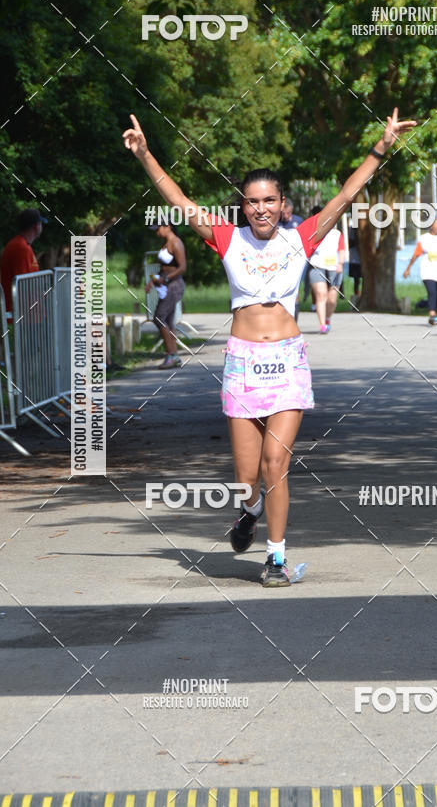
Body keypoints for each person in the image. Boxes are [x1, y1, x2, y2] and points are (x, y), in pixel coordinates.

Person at [123, 109, 416, 586]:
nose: (261, 208)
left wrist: (381, 146)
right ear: (243, 206)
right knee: (246, 475)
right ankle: (248, 511)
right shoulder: (226, 238)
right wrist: (145, 154)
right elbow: (177, 197)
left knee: (275, 462)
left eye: (270, 201)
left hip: (286, 363)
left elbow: (346, 195)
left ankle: (276, 558)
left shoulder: (301, 238)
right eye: (253, 201)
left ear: (283, 205)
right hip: (241, 363)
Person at [145, 221, 187, 368]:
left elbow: (182, 267)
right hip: (166, 285)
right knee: (168, 322)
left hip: (174, 286)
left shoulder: (176, 243)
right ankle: (173, 355)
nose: (157, 232)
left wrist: (166, 278)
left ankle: (172, 355)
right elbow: (165, 267)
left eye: (158, 229)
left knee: (158, 318)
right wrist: (154, 280)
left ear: (167, 226)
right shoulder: (166, 243)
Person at [403, 215, 437, 324]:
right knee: (432, 292)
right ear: (430, 225)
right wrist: (408, 268)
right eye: (436, 223)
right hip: (427, 271)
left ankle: (426, 307)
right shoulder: (424, 238)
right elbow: (416, 254)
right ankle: (432, 315)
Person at [1, 209, 47, 314]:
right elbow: (25, 284)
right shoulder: (21, 248)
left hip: (24, 315)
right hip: (22, 317)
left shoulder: (21, 245)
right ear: (36, 226)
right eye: (40, 224)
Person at [308, 206, 345, 334]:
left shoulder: (336, 233)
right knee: (321, 295)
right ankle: (322, 324)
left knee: (332, 299)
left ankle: (328, 318)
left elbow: (341, 250)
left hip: (334, 267)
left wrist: (340, 263)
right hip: (317, 266)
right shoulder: (311, 233)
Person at [347, 224, 362, 304]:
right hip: (354, 259)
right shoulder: (351, 229)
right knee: (356, 279)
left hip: (362, 260)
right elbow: (349, 243)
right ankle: (356, 295)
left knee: (364, 279)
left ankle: (361, 294)